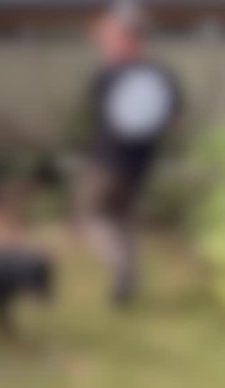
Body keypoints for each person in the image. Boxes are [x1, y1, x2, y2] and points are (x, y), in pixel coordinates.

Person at [76, 2, 181, 305]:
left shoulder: (109, 74)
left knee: (91, 215)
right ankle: (128, 274)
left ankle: (121, 266)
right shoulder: (161, 75)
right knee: (124, 219)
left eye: (110, 36)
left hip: (107, 162)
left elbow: (98, 113)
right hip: (141, 163)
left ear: (124, 37)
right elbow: (173, 122)